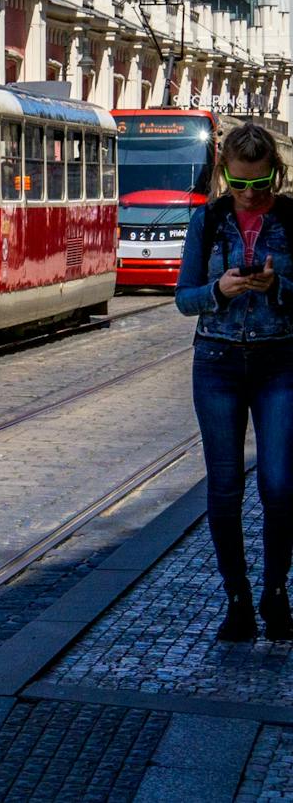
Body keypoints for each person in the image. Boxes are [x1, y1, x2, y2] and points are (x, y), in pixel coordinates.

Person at [176, 122, 293, 642]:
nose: (249, 194)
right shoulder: (207, 220)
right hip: (217, 363)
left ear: (275, 174)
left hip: (279, 362)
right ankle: (238, 599)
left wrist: (277, 286)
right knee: (224, 486)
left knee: (280, 485)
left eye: (260, 183)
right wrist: (218, 291)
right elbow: (184, 298)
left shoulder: (291, 220)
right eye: (240, 183)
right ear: (224, 172)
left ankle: (276, 593)